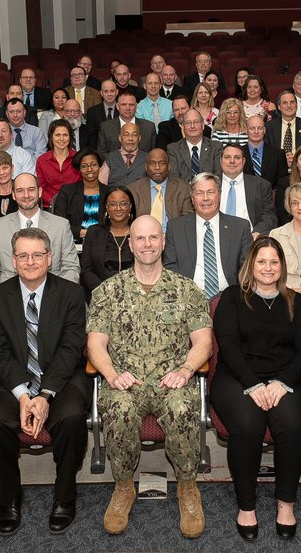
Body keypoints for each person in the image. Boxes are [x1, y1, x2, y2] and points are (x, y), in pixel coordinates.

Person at [86, 215, 213, 539]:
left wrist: (185, 370)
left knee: (184, 410)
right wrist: (112, 375)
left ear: (163, 241)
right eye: (140, 238)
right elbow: (95, 344)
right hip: (125, 380)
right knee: (119, 410)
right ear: (130, 243)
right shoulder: (108, 291)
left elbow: (203, 341)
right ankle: (124, 486)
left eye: (153, 238)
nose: (147, 244)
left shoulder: (186, 289)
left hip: (172, 379)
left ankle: (187, 487)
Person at [0, 227, 91, 536]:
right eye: (23, 256)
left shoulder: (70, 293)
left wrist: (43, 395)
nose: (30, 262)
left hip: (60, 378)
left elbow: (71, 348)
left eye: (37, 255)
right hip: (11, 380)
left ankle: (65, 496)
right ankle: (9, 498)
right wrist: (22, 395)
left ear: (49, 257)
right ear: (13, 260)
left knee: (70, 418)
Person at [211, 236, 301, 541]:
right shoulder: (232, 298)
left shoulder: (296, 301)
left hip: (286, 378)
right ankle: (246, 506)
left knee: (293, 425)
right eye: (261, 261)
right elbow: (227, 347)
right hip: (237, 377)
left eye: (274, 262)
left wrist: (282, 382)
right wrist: (254, 384)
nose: (268, 268)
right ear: (250, 265)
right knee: (248, 425)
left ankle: (286, 503)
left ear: (282, 266)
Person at [0, 173, 80, 291]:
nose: (26, 195)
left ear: (40, 192)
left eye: (31, 190)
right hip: (8, 297)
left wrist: (59, 297)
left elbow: (71, 268)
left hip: (53, 296)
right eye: (20, 191)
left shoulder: (61, 225)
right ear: (13, 195)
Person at [163, 172, 253, 297]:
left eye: (211, 192)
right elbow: (170, 267)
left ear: (219, 195)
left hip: (229, 298)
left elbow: (247, 268)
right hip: (187, 297)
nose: (206, 198)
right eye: (199, 193)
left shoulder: (240, 227)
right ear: (192, 198)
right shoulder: (176, 227)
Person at [81, 186, 136, 298]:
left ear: (130, 206)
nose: (118, 208)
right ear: (106, 207)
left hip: (135, 295)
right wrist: (104, 292)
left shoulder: (140, 233)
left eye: (123, 203)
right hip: (101, 295)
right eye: (113, 204)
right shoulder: (94, 232)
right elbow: (86, 270)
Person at [126, 148, 192, 234]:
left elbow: (187, 221)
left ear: (169, 167)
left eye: (162, 163)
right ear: (146, 167)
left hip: (173, 238)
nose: (157, 167)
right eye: (152, 163)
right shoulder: (133, 190)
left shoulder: (183, 188)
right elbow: (128, 220)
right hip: (142, 237)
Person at [218, 143, 277, 238]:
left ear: (243, 161)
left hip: (249, 238)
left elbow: (269, 217)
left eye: (237, 157)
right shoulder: (210, 184)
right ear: (221, 160)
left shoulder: (261, 185)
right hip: (217, 237)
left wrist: (257, 233)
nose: (232, 161)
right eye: (227, 157)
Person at [51, 148, 107, 241]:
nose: (89, 169)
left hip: (103, 243)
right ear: (79, 169)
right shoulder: (67, 191)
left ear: (100, 167)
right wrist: (86, 233)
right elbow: (59, 222)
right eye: (84, 166)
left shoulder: (109, 192)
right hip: (73, 243)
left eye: (94, 165)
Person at [167, 109, 222, 181]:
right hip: (183, 191)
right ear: (183, 127)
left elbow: (218, 177)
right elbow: (174, 180)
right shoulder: (173, 149)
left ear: (203, 125)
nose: (192, 126)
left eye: (196, 122)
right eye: (188, 123)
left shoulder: (215, 147)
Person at [36, 119, 80, 208]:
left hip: (75, 205)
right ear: (51, 137)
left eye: (65, 135)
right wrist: (54, 201)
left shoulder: (79, 158)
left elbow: (83, 185)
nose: (61, 139)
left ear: (70, 137)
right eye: (57, 135)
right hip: (50, 207)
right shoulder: (42, 161)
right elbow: (41, 188)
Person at [243, 114, 289, 189]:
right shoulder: (239, 153)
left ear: (264, 130)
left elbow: (282, 183)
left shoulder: (278, 154)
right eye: (252, 128)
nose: (256, 132)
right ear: (246, 130)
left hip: (271, 198)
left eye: (260, 128)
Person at [99, 122, 147, 187]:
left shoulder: (148, 158)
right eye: (126, 135)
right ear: (120, 138)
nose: (130, 139)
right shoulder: (110, 158)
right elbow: (101, 184)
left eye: (134, 135)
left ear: (139, 138)